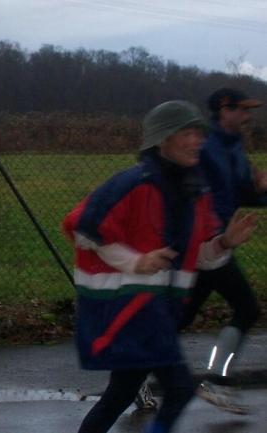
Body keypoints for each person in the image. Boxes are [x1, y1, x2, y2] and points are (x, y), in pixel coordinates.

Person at [62, 100, 257, 433]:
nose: (197, 141)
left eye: (199, 133)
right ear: (162, 139)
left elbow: (199, 257)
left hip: (158, 311)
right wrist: (138, 261)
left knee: (120, 394)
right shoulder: (132, 183)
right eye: (187, 133)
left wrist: (223, 243)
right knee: (178, 388)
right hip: (132, 309)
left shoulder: (195, 192)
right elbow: (83, 229)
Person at [178, 87, 267, 414]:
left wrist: (261, 191)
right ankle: (217, 380)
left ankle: (135, 375)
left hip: (218, 244)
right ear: (223, 110)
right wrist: (214, 237)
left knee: (180, 317)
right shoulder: (207, 147)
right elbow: (195, 194)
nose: (247, 116)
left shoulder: (233, 146)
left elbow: (239, 191)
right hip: (205, 243)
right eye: (242, 110)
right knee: (246, 308)